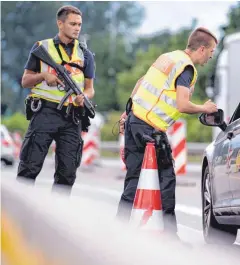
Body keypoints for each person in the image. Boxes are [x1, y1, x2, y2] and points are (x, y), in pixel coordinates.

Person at [117, 27, 218, 239]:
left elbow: (140, 83)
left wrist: (127, 114)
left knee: (133, 180)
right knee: (166, 180)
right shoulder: (186, 68)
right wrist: (205, 108)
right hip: (150, 129)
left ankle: (119, 232)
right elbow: (182, 105)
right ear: (201, 49)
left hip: (135, 120)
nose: (211, 56)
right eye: (211, 51)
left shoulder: (168, 57)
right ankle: (170, 239)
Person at [17, 5, 95, 191]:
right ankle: (18, 217)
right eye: (72, 24)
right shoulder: (42, 48)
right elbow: (25, 81)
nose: (77, 28)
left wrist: (83, 97)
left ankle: (55, 215)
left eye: (79, 24)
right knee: (29, 167)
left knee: (67, 174)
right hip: (45, 113)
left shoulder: (85, 54)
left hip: (72, 118)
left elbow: (90, 89)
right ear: (60, 23)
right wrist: (43, 76)